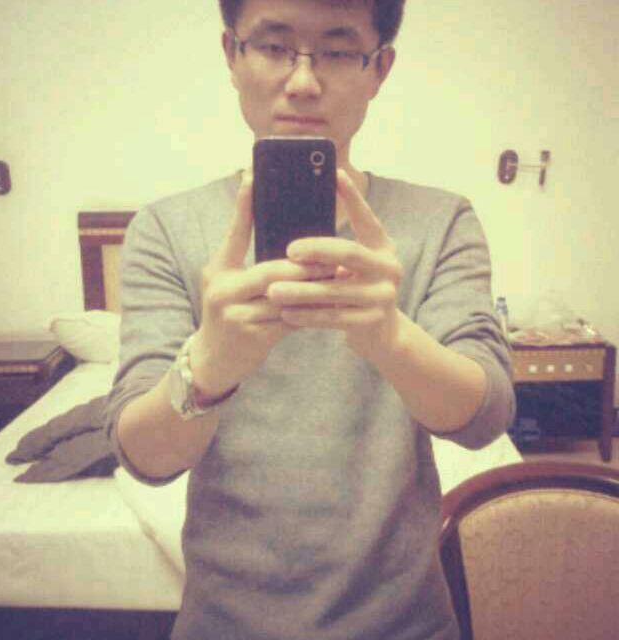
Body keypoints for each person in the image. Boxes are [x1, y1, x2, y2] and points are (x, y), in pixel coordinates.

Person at [105, 1, 516, 638]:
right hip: (224, 625)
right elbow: (142, 456)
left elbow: (486, 416)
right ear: (231, 55)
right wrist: (208, 367)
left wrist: (389, 337)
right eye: (274, 46)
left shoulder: (441, 221)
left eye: (337, 50)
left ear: (380, 68)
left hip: (405, 624)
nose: (302, 81)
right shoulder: (165, 228)